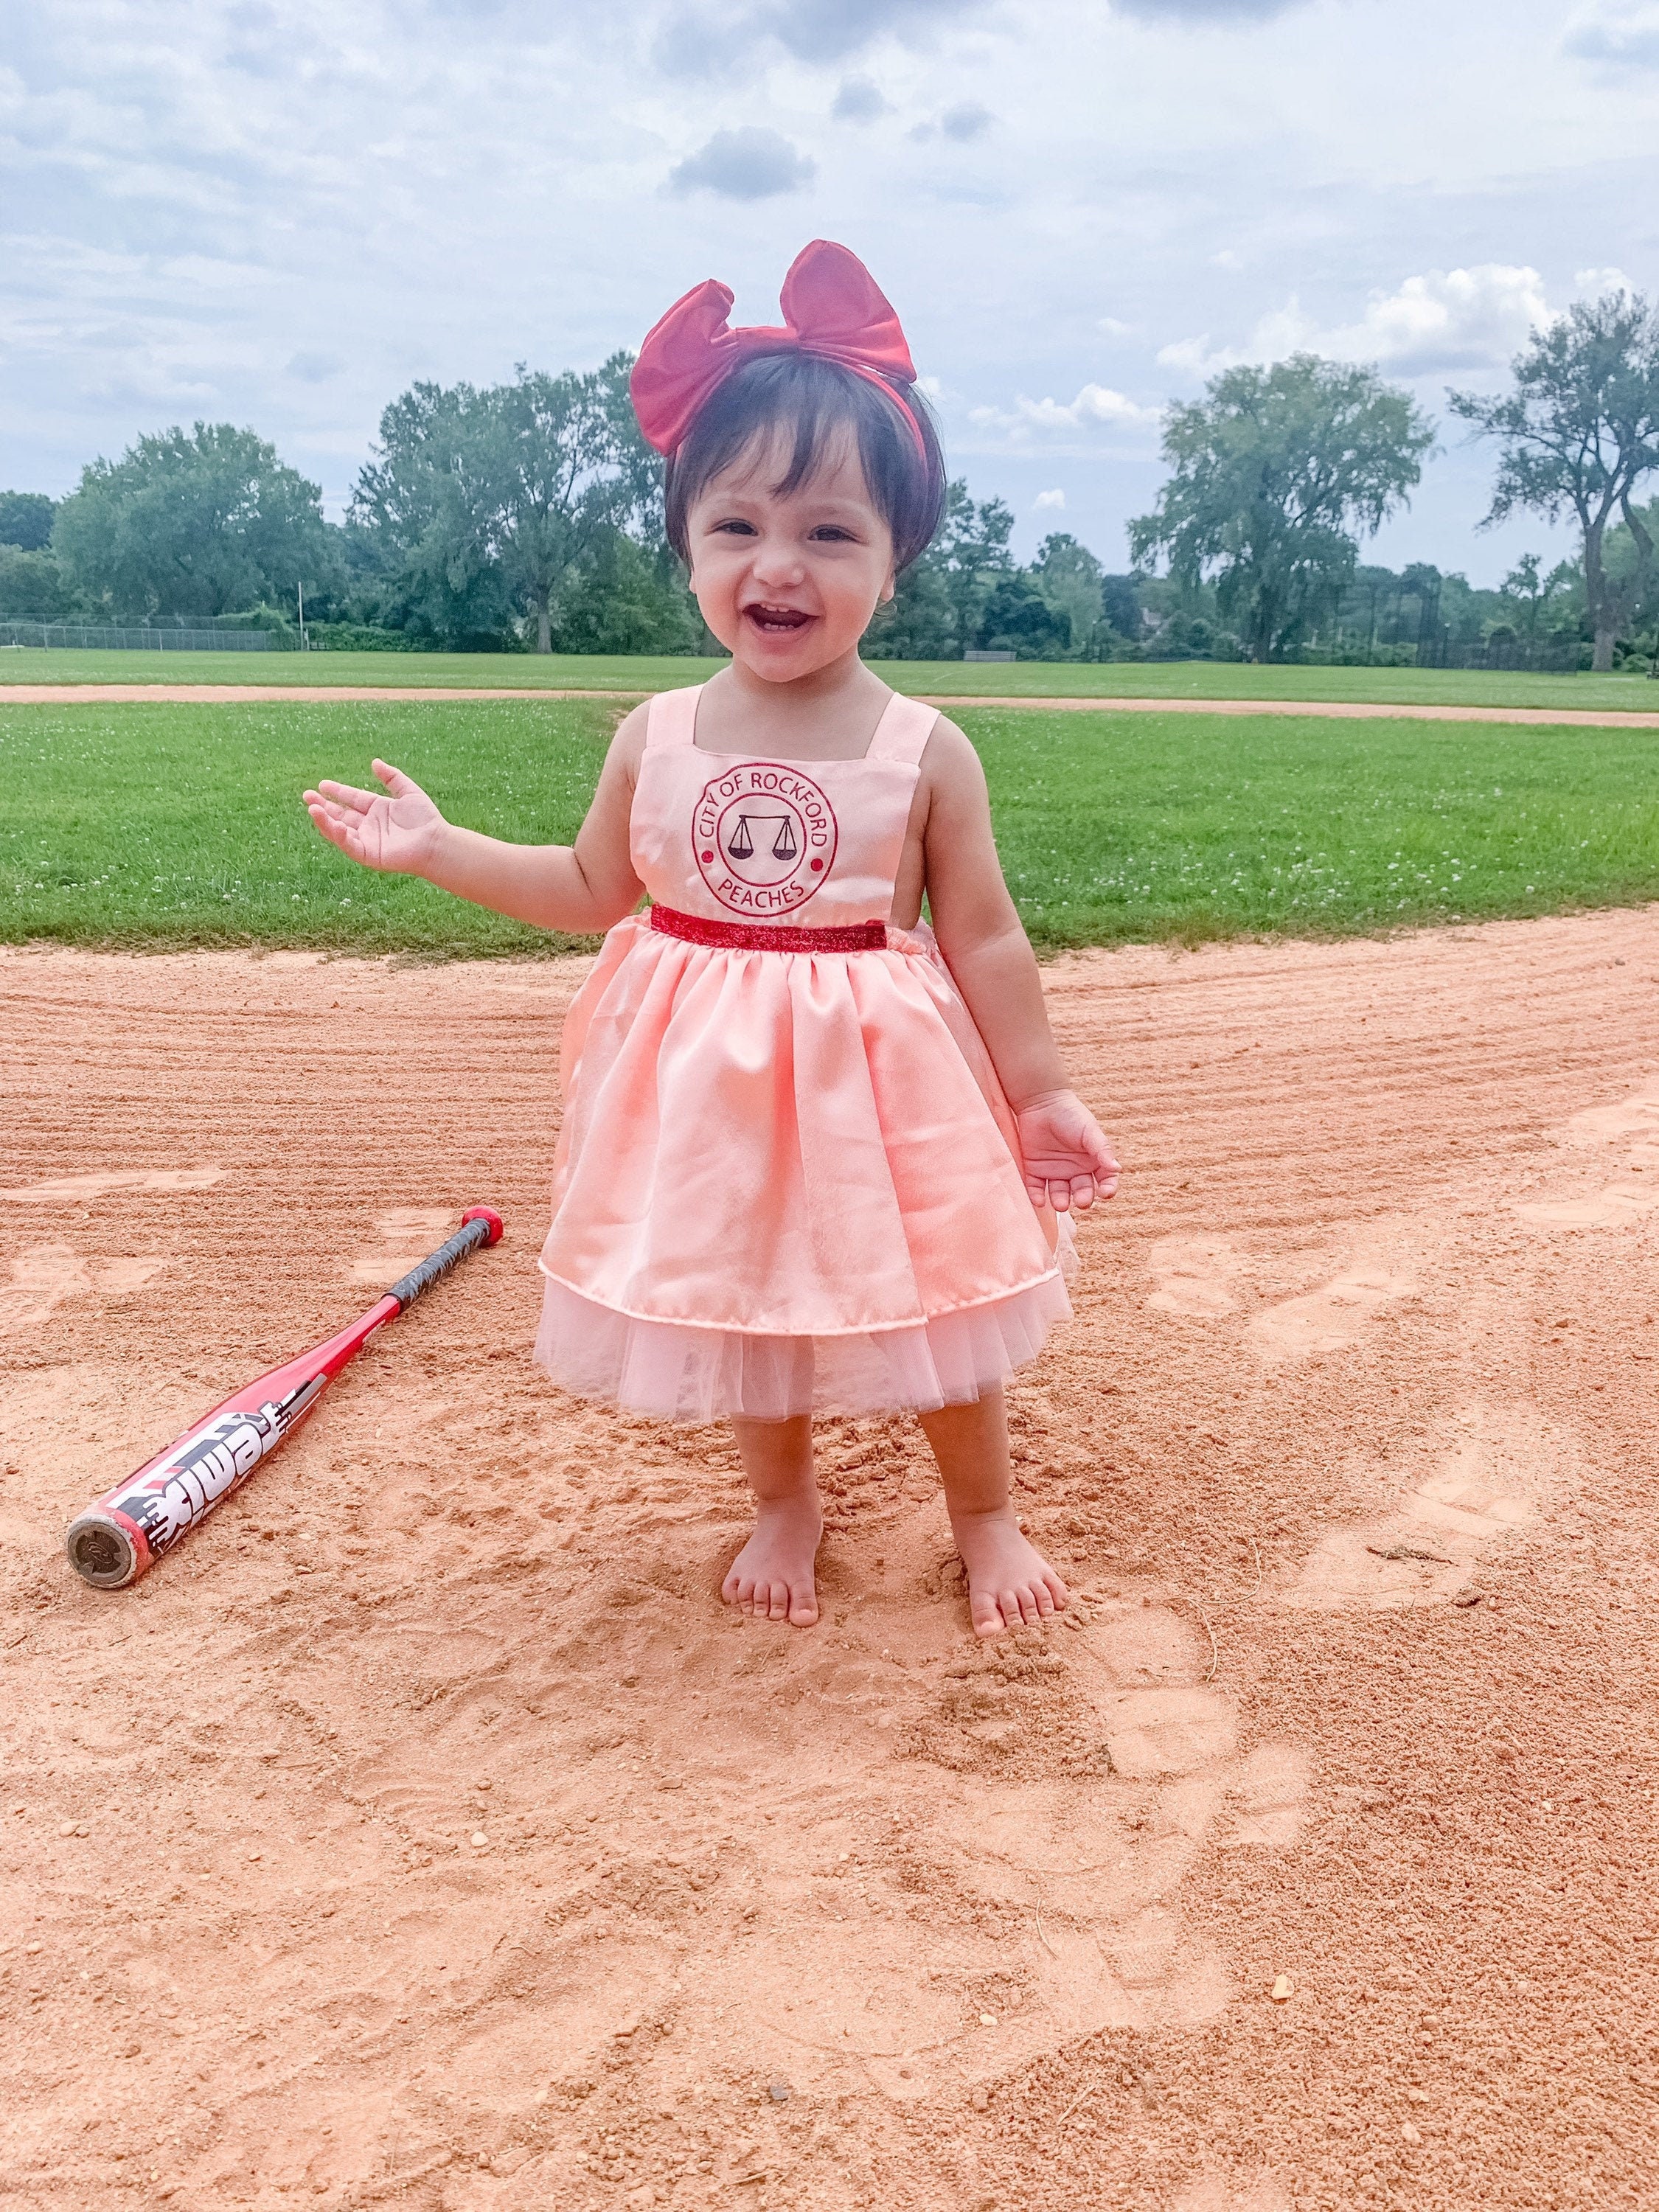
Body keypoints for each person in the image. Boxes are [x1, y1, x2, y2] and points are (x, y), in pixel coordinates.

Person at [303, 240, 1119, 1638]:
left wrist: (1038, 1092)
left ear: (895, 558)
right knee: (751, 1309)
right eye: (736, 527)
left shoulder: (926, 749)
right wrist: (437, 851)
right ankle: (784, 1502)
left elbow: (983, 937)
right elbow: (585, 885)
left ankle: (983, 1515)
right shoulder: (655, 733)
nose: (777, 565)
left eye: (829, 532)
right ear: (688, 550)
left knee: (942, 1305)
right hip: (712, 1093)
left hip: (883, 1086)